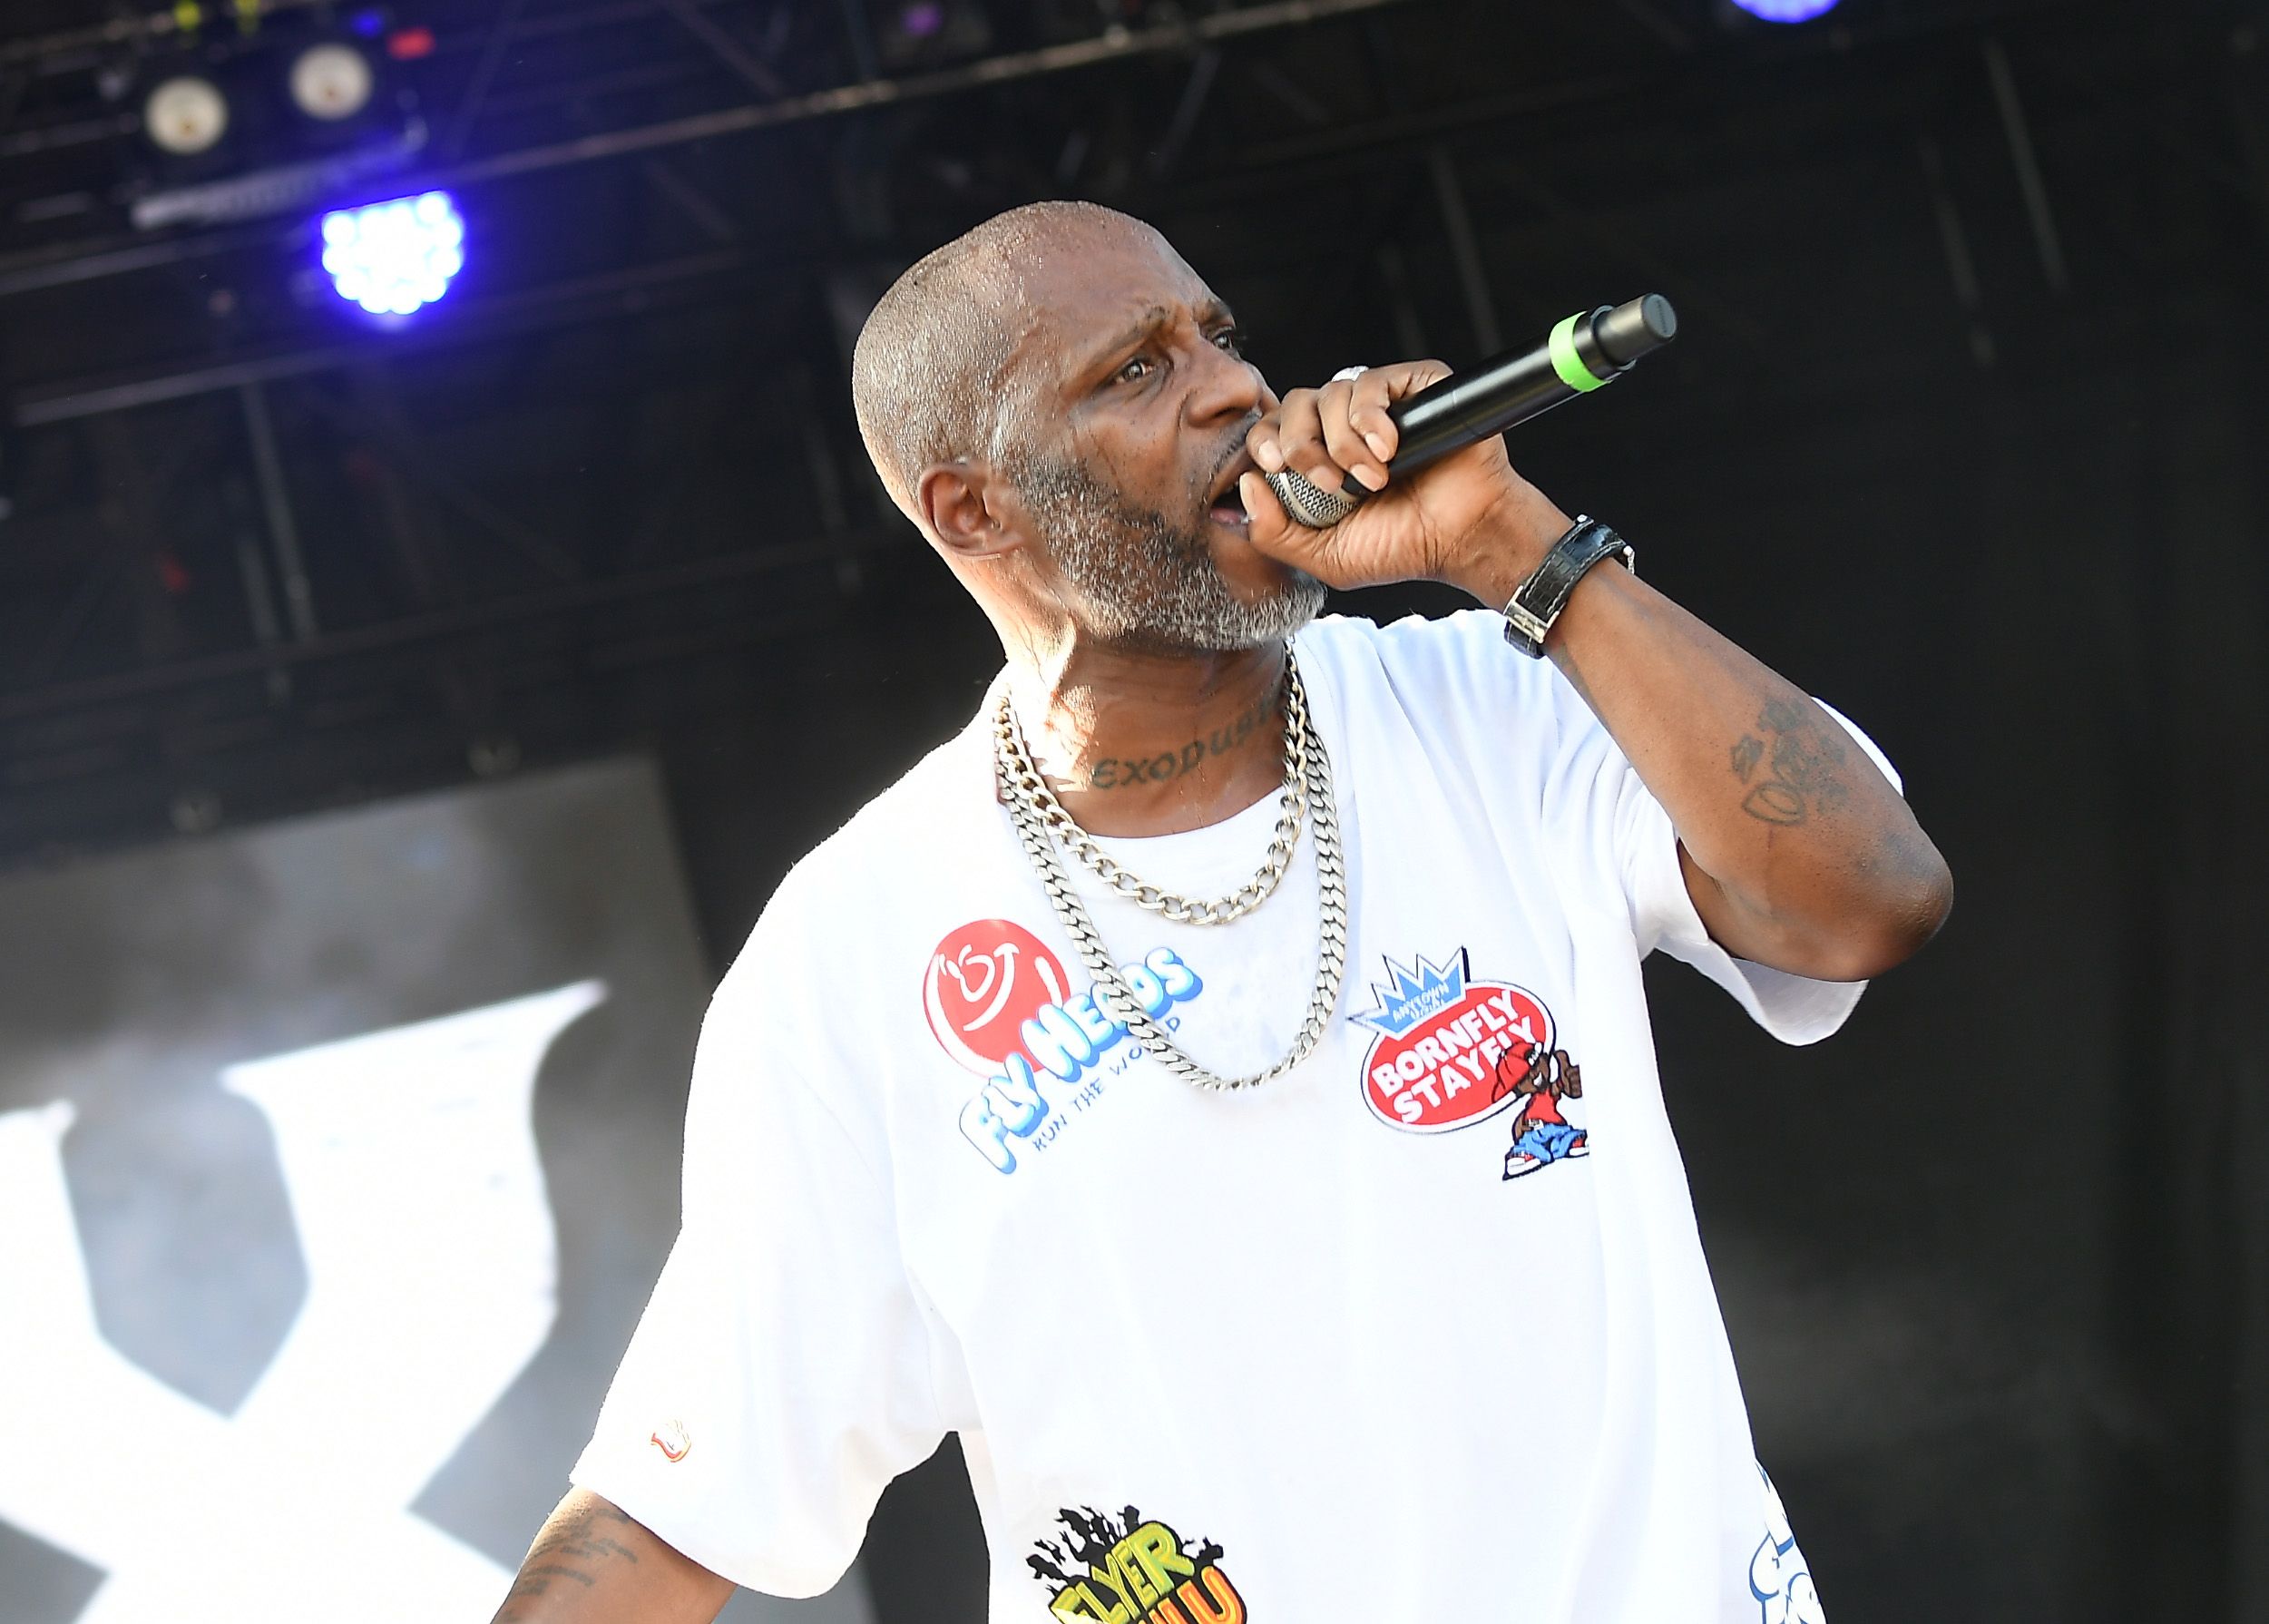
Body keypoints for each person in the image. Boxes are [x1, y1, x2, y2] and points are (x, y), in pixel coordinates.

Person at [491, 200, 1950, 1624]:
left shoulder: (1493, 700)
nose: (1237, 391)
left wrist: (1515, 543)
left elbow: (1865, 901)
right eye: (1137, 370)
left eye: (1220, 337)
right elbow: (674, 1506)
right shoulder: (855, 950)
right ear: (970, 506)